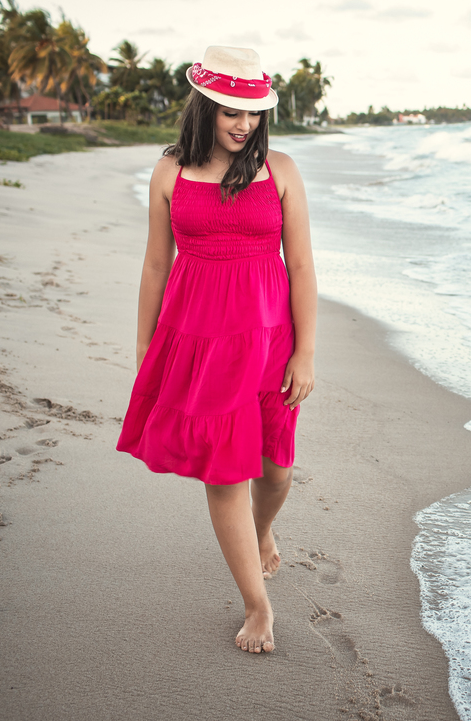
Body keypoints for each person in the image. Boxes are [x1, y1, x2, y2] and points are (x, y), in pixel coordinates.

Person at [116, 46, 317, 654]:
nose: (243, 124)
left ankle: (262, 533)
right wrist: (146, 341)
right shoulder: (170, 171)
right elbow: (157, 263)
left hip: (269, 341)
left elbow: (302, 265)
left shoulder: (279, 169)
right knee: (226, 474)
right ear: (204, 106)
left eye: (253, 113)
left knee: (277, 468)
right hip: (199, 344)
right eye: (231, 110)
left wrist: (305, 353)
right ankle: (258, 606)